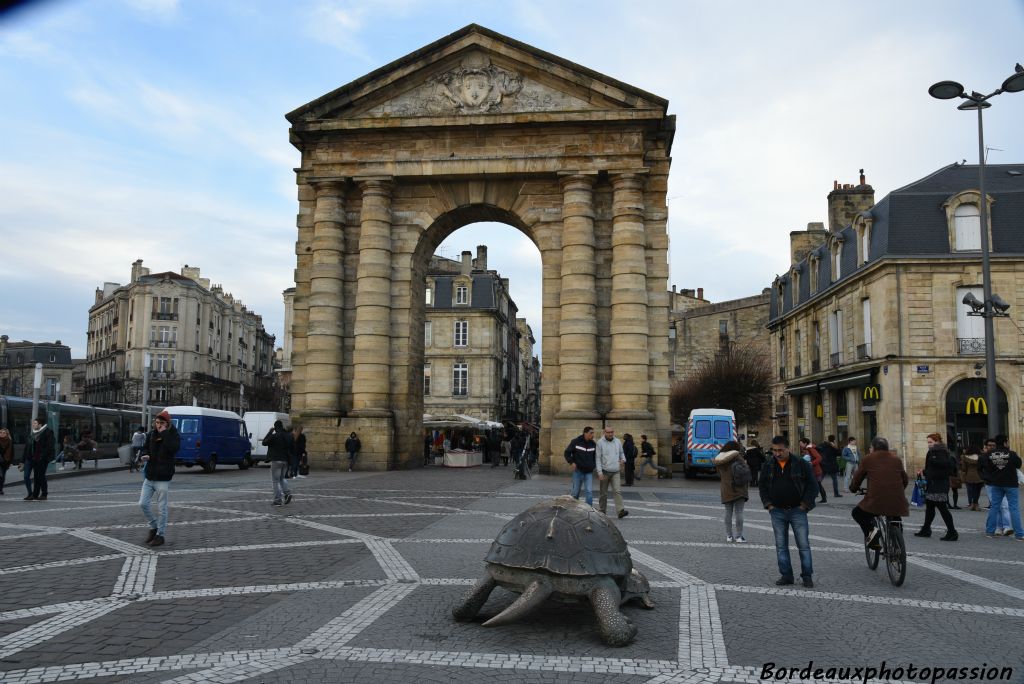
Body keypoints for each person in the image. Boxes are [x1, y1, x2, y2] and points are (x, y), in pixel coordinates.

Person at [759, 435, 816, 588]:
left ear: (788, 449)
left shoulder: (801, 463)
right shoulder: (769, 464)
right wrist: (768, 505)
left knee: (803, 545)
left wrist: (805, 505)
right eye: (774, 450)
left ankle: (807, 576)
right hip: (777, 511)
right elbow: (762, 485)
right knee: (781, 545)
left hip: (798, 510)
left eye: (780, 450)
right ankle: (786, 575)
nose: (777, 453)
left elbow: (813, 485)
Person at [849, 437, 909, 550]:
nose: (870, 449)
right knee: (895, 517)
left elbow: (858, 477)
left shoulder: (868, 459)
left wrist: (853, 488)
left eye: (871, 447)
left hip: (876, 500)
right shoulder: (896, 459)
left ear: (874, 448)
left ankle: (872, 534)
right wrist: (898, 491)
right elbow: (904, 480)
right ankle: (897, 547)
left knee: (857, 513)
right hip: (897, 499)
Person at [138, 410, 179, 546]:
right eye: (157, 423)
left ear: (167, 424)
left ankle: (160, 535)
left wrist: (164, 434)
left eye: (161, 423)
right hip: (150, 475)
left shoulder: (173, 435)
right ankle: (154, 526)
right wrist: (145, 455)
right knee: (143, 503)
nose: (158, 425)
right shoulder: (151, 434)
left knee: (162, 508)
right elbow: (144, 448)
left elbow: (173, 448)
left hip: (163, 476)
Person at [914, 432, 958, 541]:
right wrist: (924, 471)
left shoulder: (937, 451)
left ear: (937, 442)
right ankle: (926, 529)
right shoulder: (941, 451)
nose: (929, 444)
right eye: (928, 442)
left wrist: (929, 468)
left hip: (938, 484)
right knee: (930, 507)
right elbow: (936, 468)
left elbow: (942, 466)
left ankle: (952, 532)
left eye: (931, 442)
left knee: (942, 508)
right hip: (935, 483)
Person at [979, 434, 1023, 540]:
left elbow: (987, 467)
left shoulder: (990, 454)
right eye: (1007, 441)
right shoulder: (1011, 454)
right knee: (1014, 508)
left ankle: (990, 531)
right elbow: (1018, 464)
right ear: (1005, 442)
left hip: (996, 483)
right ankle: (1019, 534)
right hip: (1011, 484)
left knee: (994, 507)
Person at [714, 440, 749, 543]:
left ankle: (729, 536)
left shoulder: (719, 458)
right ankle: (739, 536)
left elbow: (719, 474)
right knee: (739, 512)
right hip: (739, 488)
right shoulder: (737, 457)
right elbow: (745, 471)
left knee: (728, 512)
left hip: (725, 488)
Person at [595, 426, 628, 518]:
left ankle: (620, 510)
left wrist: (623, 459)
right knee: (603, 493)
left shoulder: (617, 441)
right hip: (604, 471)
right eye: (608, 432)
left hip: (616, 471)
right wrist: (599, 472)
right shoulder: (600, 443)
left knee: (617, 491)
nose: (610, 434)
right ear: (604, 432)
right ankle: (602, 510)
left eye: (612, 432)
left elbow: (622, 453)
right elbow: (597, 458)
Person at [23, 416, 55, 501]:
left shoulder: (48, 432)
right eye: (33, 423)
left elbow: (49, 446)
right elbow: (28, 446)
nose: (33, 425)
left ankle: (44, 494)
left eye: (35, 423)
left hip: (42, 458)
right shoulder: (34, 433)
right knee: (36, 476)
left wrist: (43, 456)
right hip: (34, 458)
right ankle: (35, 494)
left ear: (40, 424)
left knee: (41, 476)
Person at [564, 426, 597, 507]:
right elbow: (567, 453)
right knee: (575, 492)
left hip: (588, 471)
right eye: (591, 433)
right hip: (578, 471)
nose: (593, 435)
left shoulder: (593, 444)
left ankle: (589, 509)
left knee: (589, 491)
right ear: (585, 433)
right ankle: (573, 508)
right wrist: (572, 462)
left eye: (593, 433)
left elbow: (595, 457)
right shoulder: (576, 441)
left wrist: (593, 465)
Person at [263, 420, 294, 506]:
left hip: (276, 460)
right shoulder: (288, 436)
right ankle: (287, 493)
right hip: (285, 461)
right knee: (282, 478)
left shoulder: (274, 436)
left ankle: (277, 500)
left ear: (275, 427)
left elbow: (264, 442)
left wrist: (270, 431)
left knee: (275, 481)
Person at [799, 438, 826, 504]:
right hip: (812, 470)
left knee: (815, 485)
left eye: (801, 443)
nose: (800, 445)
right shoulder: (806, 449)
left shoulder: (810, 449)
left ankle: (815, 499)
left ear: (805, 443)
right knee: (816, 484)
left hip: (815, 470)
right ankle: (823, 498)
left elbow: (819, 458)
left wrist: (812, 463)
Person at [961, 445, 984, 512]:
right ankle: (976, 504)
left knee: (972, 490)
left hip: (969, 476)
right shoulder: (981, 457)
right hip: (979, 476)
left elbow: (964, 468)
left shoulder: (964, 457)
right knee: (977, 491)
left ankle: (972, 504)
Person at [0, 427, 13, 495]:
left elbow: (12, 453)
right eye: (0, 433)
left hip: (5, 461)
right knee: (0, 475)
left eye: (3, 433)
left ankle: (1, 489)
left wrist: (10, 462)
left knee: (2, 476)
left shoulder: (9, 441)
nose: (1, 434)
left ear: (7, 434)